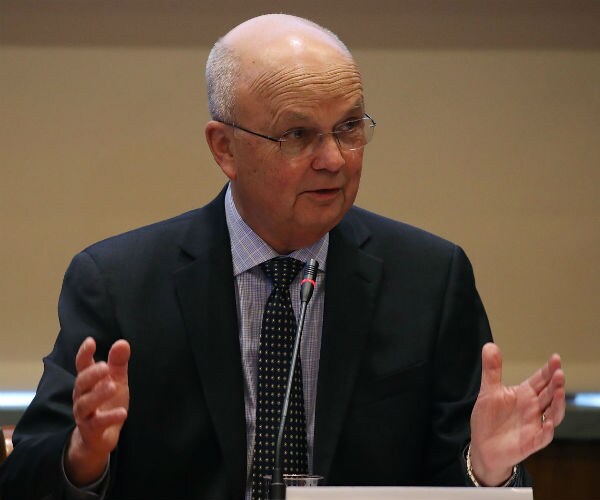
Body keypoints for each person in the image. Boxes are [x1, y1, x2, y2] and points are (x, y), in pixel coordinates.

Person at [0, 14, 566, 500]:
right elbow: (27, 473)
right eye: (297, 135)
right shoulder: (118, 283)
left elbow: (452, 476)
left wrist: (488, 470)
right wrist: (85, 455)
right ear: (225, 148)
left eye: (349, 128)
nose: (334, 159)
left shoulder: (429, 278)